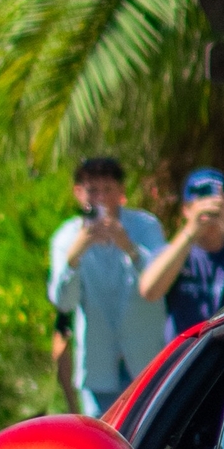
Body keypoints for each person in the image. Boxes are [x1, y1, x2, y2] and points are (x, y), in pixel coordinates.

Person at [46, 155, 170, 418]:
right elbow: (63, 302)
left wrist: (130, 248)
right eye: (92, 191)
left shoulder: (146, 227)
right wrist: (73, 258)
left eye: (108, 190)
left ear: (121, 192)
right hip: (98, 371)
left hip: (146, 365)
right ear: (78, 193)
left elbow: (161, 282)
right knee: (103, 448)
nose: (100, 198)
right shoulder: (66, 238)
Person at [140, 168, 224, 334]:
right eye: (201, 203)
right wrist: (191, 231)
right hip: (187, 352)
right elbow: (149, 291)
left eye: (217, 204)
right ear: (186, 210)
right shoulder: (173, 252)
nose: (210, 212)